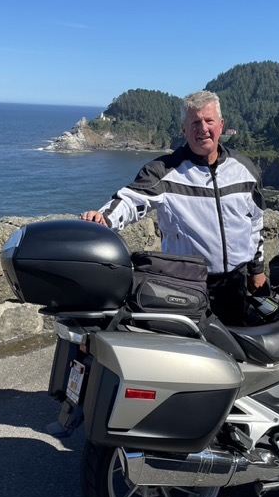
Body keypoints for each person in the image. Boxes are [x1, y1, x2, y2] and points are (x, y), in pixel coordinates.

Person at [82, 90, 267, 325]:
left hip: (235, 284)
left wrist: (257, 270)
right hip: (186, 284)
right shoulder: (163, 171)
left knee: (236, 353)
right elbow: (130, 200)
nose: (203, 128)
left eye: (209, 121)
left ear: (221, 125)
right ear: (184, 130)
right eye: (195, 123)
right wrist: (104, 218)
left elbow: (256, 223)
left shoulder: (245, 170)